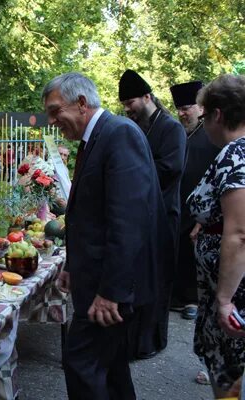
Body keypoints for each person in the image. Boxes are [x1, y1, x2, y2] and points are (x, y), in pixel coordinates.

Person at [44, 72, 167, 400]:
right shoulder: (97, 137)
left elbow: (128, 222)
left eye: (56, 111)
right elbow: (91, 215)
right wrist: (72, 264)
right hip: (97, 281)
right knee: (110, 365)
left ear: (82, 103)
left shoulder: (118, 134)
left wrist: (111, 292)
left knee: (81, 363)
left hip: (110, 291)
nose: (53, 121)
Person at [119, 69, 187, 359]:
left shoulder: (171, 129)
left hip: (163, 217)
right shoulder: (140, 125)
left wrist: (129, 176)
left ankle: (152, 342)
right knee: (139, 278)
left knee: (158, 280)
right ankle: (133, 339)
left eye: (131, 102)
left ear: (148, 97)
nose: (128, 110)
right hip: (138, 217)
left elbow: (170, 170)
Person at [186, 74, 245, 397]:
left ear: (218, 115)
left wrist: (224, 300)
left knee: (232, 380)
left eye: (204, 116)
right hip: (227, 289)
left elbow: (238, 233)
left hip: (235, 296)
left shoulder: (236, 155)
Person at [170, 81, 220, 320]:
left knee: (193, 255)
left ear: (201, 109)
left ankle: (193, 299)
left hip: (202, 210)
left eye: (187, 107)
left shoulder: (211, 137)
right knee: (177, 253)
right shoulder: (179, 133)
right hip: (179, 205)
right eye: (179, 109)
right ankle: (178, 297)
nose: (182, 113)